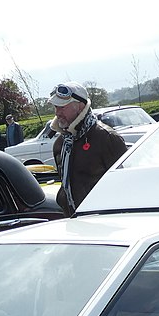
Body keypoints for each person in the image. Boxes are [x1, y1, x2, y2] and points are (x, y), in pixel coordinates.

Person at [49, 81, 128, 217]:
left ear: (80, 106)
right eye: (56, 107)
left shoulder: (107, 138)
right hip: (73, 220)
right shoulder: (60, 144)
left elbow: (126, 185)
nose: (57, 112)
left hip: (105, 221)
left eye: (62, 107)